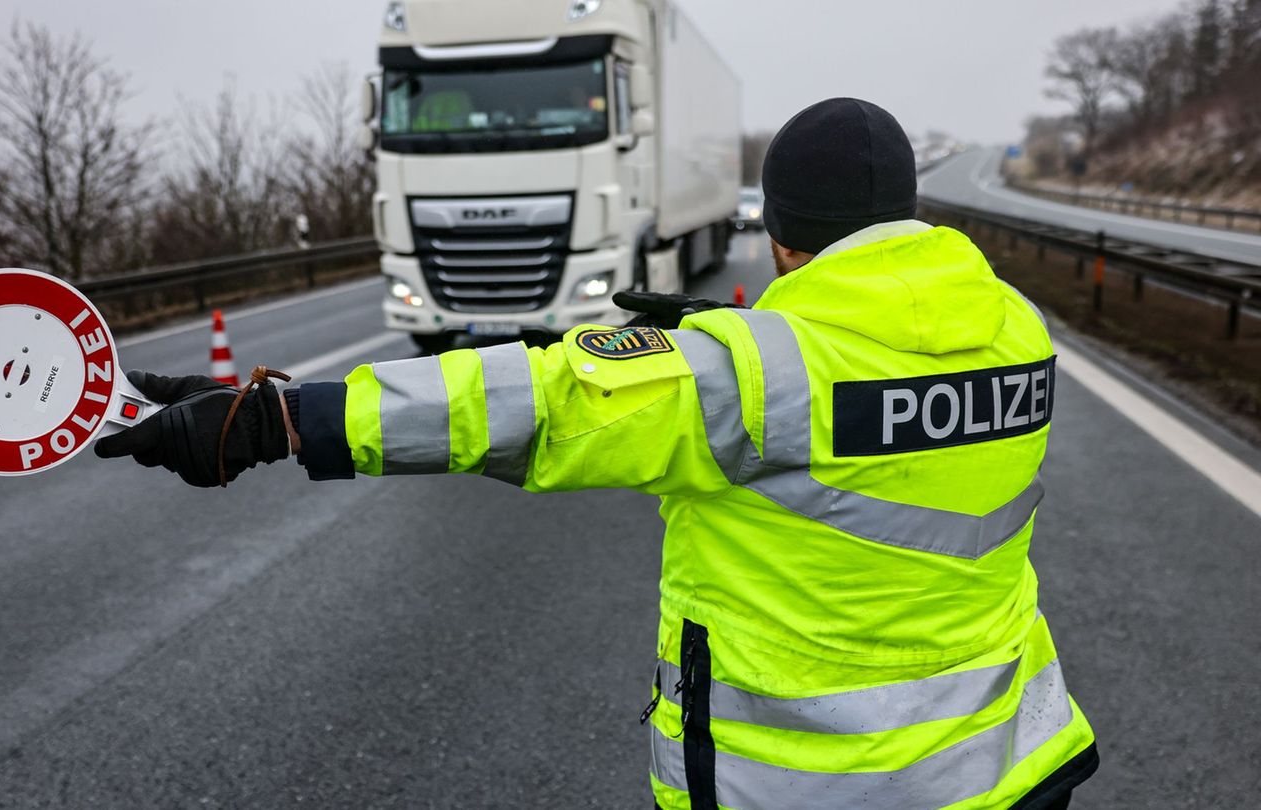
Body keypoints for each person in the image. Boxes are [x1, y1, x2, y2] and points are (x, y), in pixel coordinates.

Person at [96, 98, 1098, 809]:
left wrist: (278, 418)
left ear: (783, 239)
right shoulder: (1017, 325)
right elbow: (873, 386)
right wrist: (710, 334)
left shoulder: (741, 373)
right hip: (1003, 764)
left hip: (805, 787)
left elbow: (540, 398)